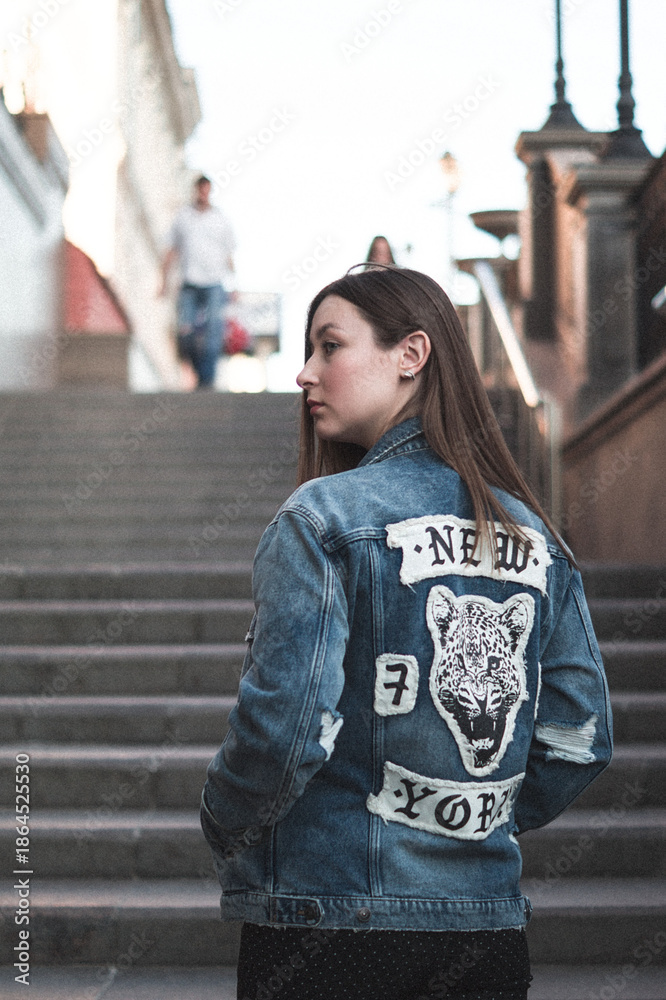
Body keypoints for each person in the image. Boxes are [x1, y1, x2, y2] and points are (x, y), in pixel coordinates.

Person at [201, 265, 612, 1000]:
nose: (304, 373)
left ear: (411, 354)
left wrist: (222, 819)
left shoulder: (321, 519)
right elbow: (579, 737)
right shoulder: (535, 537)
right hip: (485, 933)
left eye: (330, 346)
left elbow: (284, 730)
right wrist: (467, 818)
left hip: (329, 925)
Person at [160, 174, 236, 388]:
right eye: (200, 190)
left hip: (214, 283)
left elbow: (229, 255)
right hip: (189, 283)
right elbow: (171, 250)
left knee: (213, 331)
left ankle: (206, 380)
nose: (203, 194)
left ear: (210, 191)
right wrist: (163, 281)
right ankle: (197, 369)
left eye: (207, 190)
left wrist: (234, 285)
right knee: (185, 331)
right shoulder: (183, 217)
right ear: (195, 191)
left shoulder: (220, 219)